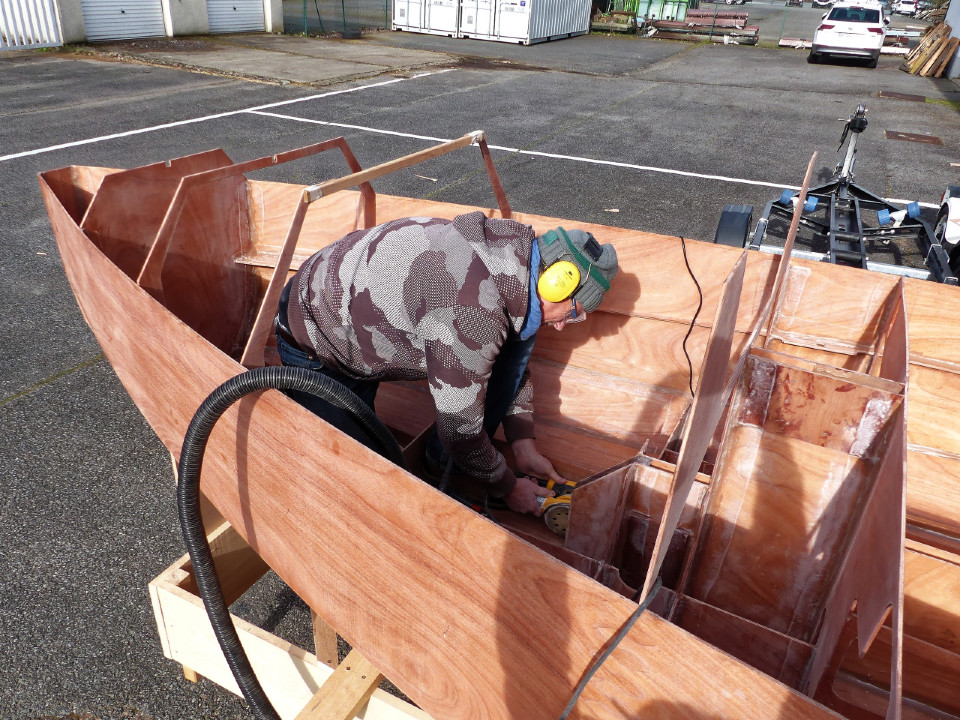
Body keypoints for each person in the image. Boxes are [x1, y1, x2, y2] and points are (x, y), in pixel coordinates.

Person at [274, 211, 619, 516]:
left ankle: (438, 465)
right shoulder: (473, 312)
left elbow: (508, 361)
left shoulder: (513, 262)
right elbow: (460, 431)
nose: (562, 325)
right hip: (315, 335)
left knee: (515, 342)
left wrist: (522, 443)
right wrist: (508, 488)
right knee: (357, 478)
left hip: (355, 316)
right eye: (573, 314)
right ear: (559, 283)